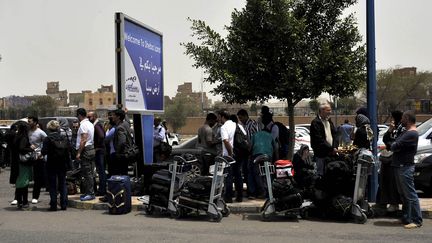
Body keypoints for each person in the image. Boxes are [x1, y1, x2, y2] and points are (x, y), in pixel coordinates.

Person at [391, 111, 422, 229]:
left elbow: (394, 145)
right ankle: (406, 218)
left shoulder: (411, 134)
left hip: (405, 167)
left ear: (408, 119)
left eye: (403, 118)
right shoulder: (405, 132)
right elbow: (395, 142)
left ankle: (416, 220)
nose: (401, 120)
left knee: (410, 194)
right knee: (403, 194)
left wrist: (395, 145)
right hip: (400, 166)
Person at [376, 110, 404, 212]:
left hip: (394, 158)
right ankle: (384, 202)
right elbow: (385, 139)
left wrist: (389, 145)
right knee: (385, 180)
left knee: (393, 182)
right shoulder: (393, 128)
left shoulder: (402, 128)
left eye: (393, 117)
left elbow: (397, 142)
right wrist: (390, 130)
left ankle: (394, 203)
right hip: (387, 158)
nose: (392, 119)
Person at [41, 120, 70, 211]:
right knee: (62, 184)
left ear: (49, 128)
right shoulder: (63, 138)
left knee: (52, 184)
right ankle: (64, 204)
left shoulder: (47, 139)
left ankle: (53, 205)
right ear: (58, 128)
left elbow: (44, 151)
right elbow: (68, 151)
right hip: (62, 163)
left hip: (51, 163)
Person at [249, 115, 279, 199]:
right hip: (267, 156)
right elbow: (275, 148)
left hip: (257, 156)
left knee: (257, 173)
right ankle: (269, 191)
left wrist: (250, 156)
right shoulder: (270, 135)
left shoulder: (255, 135)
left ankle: (261, 192)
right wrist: (276, 160)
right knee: (268, 173)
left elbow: (250, 147)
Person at [310, 103, 338, 176]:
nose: (330, 112)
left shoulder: (329, 121)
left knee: (330, 174)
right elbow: (319, 139)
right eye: (328, 110)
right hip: (321, 154)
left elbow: (335, 134)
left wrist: (334, 147)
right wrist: (331, 148)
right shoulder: (315, 122)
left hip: (331, 153)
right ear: (322, 111)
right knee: (321, 174)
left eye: (330, 110)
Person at [237, 109, 259, 197]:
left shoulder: (252, 124)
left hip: (252, 151)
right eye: (239, 118)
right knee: (246, 171)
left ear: (246, 116)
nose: (240, 119)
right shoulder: (243, 125)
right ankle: (250, 190)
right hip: (246, 152)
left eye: (241, 117)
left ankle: (253, 191)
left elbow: (256, 137)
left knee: (251, 172)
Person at [75, 108, 96, 201]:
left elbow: (83, 139)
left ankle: (90, 193)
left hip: (86, 150)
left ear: (79, 115)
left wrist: (79, 152)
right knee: (90, 173)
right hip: (91, 149)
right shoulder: (90, 124)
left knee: (87, 173)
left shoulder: (83, 125)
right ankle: (89, 192)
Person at [13, 121, 34, 209]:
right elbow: (22, 148)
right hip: (24, 163)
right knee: (24, 183)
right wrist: (31, 148)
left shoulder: (17, 137)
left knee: (19, 182)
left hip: (17, 162)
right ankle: (24, 202)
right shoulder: (24, 137)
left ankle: (19, 201)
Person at [227, 114, 248, 202]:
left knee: (229, 175)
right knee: (238, 175)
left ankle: (229, 196)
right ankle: (239, 196)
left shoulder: (229, 129)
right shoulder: (240, 128)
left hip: (233, 155)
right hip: (241, 155)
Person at [27, 116, 47, 204]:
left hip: (38, 158)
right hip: (27, 156)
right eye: (28, 121)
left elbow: (47, 143)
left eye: (30, 121)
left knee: (37, 178)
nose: (29, 123)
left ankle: (35, 197)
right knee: (25, 177)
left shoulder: (41, 133)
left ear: (35, 122)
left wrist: (42, 153)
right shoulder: (27, 132)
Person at [219, 110, 236, 203]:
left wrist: (230, 154)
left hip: (228, 155)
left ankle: (228, 197)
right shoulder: (234, 124)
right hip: (237, 154)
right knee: (234, 175)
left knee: (227, 176)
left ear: (222, 117)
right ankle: (236, 195)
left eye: (219, 117)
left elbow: (225, 141)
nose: (218, 119)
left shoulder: (223, 127)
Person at [88, 111, 107, 197]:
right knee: (101, 171)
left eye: (90, 117)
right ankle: (102, 189)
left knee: (101, 171)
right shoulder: (97, 124)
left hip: (99, 152)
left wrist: (98, 147)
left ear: (94, 117)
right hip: (101, 151)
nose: (88, 119)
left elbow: (102, 136)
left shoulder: (96, 125)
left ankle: (102, 190)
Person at [112, 109, 133, 175]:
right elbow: (128, 121)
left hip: (122, 154)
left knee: (121, 174)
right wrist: (125, 114)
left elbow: (122, 142)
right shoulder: (126, 124)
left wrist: (117, 153)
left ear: (118, 117)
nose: (112, 117)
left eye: (113, 115)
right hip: (126, 153)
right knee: (124, 173)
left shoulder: (120, 127)